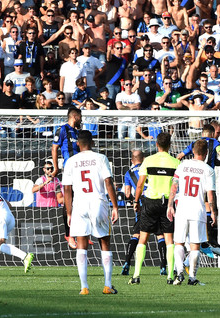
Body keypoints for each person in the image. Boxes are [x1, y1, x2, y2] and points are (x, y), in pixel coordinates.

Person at [62, 130, 119, 295]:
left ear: (77, 144)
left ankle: (84, 287)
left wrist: (69, 212)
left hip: (79, 204)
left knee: (81, 245)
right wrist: (115, 206)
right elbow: (108, 181)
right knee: (105, 243)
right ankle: (107, 285)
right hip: (98, 202)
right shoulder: (100, 158)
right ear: (92, 143)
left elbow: (66, 188)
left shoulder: (71, 161)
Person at [129, 132, 180, 285]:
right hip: (167, 203)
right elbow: (176, 186)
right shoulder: (175, 162)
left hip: (150, 202)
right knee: (169, 239)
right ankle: (170, 276)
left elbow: (140, 184)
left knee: (143, 238)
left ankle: (136, 275)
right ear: (170, 145)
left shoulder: (148, 161)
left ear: (156, 144)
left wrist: (136, 201)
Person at [167, 139, 216, 286]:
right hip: (197, 210)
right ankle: (192, 278)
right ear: (206, 153)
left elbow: (174, 186)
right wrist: (213, 212)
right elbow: (210, 194)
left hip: (182, 209)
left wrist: (170, 205)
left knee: (179, 242)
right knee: (195, 245)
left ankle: (180, 272)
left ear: (193, 151)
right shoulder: (208, 170)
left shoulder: (182, 165)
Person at [121, 149, 168, 276]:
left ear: (132, 160)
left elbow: (126, 193)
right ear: (143, 158)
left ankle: (127, 262)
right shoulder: (150, 166)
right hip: (155, 202)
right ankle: (163, 266)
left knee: (137, 235)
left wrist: (133, 201)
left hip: (141, 206)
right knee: (161, 236)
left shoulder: (128, 173)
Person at [51, 107, 82, 248]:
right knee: (69, 200)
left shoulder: (78, 132)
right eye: (80, 117)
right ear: (75, 117)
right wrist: (56, 167)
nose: (82, 119)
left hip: (80, 168)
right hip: (69, 168)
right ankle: (69, 234)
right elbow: (54, 148)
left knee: (79, 200)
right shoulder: (62, 129)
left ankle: (81, 234)